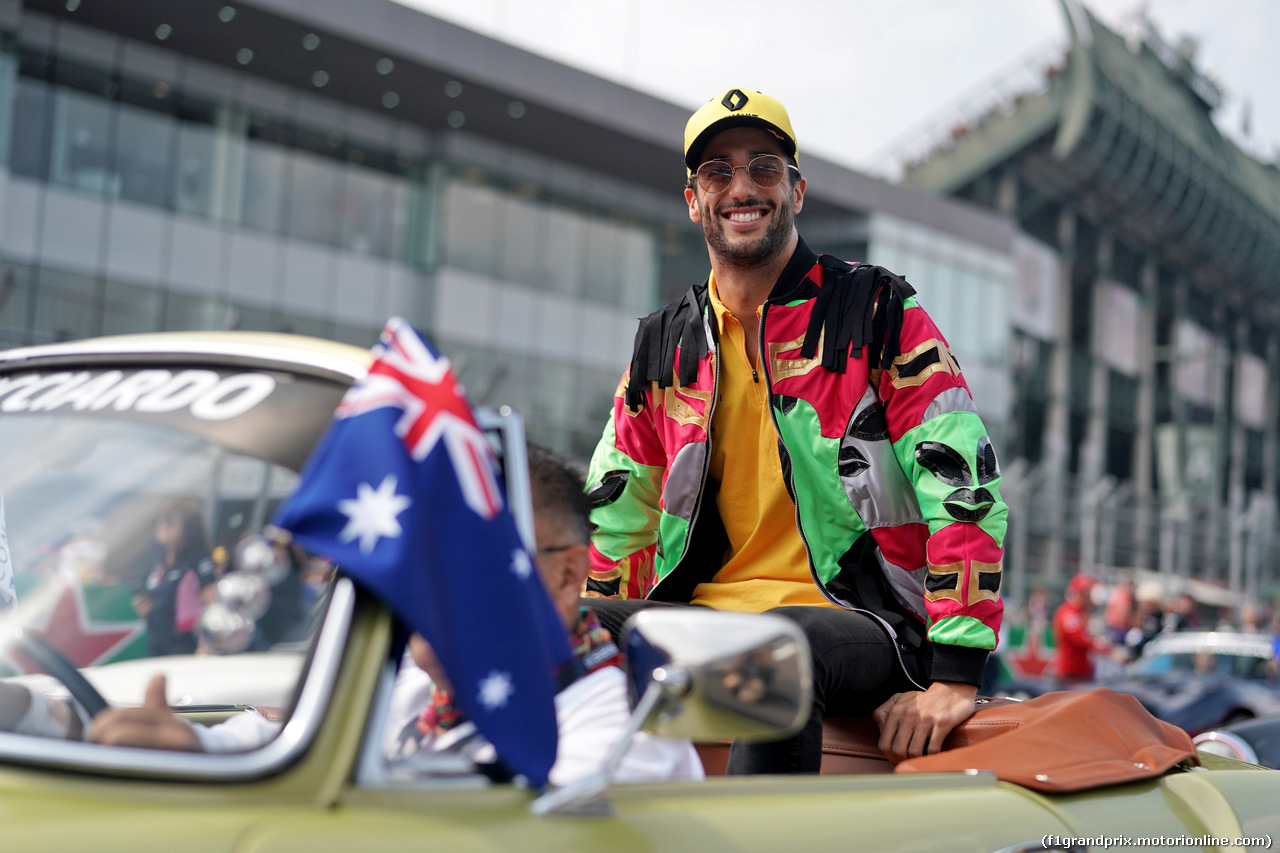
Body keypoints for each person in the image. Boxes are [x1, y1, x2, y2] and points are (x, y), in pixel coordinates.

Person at [584, 87, 1007, 772]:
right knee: (551, 630)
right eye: (717, 172)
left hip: (860, 622)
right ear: (693, 201)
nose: (741, 187)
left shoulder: (876, 308)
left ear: (796, 190)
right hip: (703, 616)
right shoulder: (661, 343)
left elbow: (962, 478)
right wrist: (588, 627)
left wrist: (955, 670)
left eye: (763, 168)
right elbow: (617, 512)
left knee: (780, 642)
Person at [79, 446, 702, 785]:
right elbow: (297, 737)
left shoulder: (623, 738)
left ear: (567, 575)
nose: (425, 587)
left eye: (465, 558)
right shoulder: (413, 687)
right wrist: (192, 743)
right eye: (414, 560)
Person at [132, 501, 216, 657]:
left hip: (184, 647)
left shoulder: (200, 561)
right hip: (156, 643)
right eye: (160, 519)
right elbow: (154, 609)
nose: (162, 524)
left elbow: (214, 605)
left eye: (170, 520)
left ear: (189, 525)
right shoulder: (159, 562)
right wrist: (143, 609)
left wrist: (205, 645)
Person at [1051, 573, 1108, 686]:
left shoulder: (1085, 612)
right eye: (1085, 593)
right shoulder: (1068, 612)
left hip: (1084, 671)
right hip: (1070, 672)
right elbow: (1079, 638)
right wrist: (1106, 649)